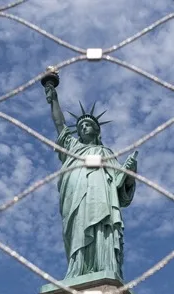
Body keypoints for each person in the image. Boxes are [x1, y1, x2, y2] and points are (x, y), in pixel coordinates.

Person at [45, 82, 139, 281]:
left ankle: (104, 266)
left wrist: (129, 171)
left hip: (101, 198)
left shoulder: (106, 153)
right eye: (80, 126)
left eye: (88, 125)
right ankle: (78, 269)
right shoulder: (73, 147)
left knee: (102, 227)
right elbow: (60, 124)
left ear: (97, 130)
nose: (83, 128)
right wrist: (53, 99)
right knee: (79, 229)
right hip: (76, 194)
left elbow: (119, 185)